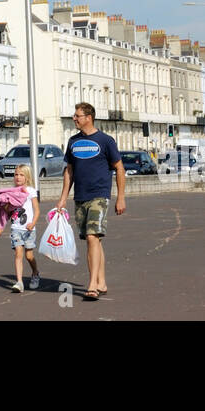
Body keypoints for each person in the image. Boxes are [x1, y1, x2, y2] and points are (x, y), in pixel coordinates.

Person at [53, 102, 125, 301]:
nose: (74, 119)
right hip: (80, 197)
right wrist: (62, 198)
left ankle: (92, 284)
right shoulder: (73, 141)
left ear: (88, 117)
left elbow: (119, 168)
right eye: (74, 115)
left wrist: (120, 197)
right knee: (93, 240)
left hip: (99, 196)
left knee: (93, 237)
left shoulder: (105, 140)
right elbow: (69, 171)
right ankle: (101, 281)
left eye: (77, 116)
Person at [0, 164, 41, 292]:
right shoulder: (11, 192)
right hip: (16, 228)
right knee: (18, 254)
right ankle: (19, 282)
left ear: (27, 177)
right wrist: (1, 226)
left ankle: (35, 273)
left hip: (29, 229)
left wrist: (33, 223)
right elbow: (6, 212)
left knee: (29, 256)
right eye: (16, 174)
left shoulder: (31, 191)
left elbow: (37, 210)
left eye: (21, 175)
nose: (18, 177)